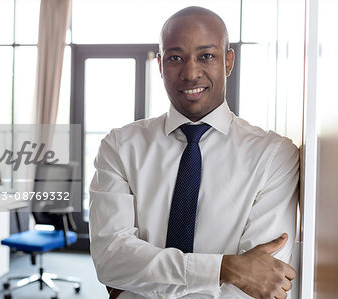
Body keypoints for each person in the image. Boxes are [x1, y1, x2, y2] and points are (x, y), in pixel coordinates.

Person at [89, 6, 298, 299]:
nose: (190, 72)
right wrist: (226, 269)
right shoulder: (120, 146)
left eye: (206, 56)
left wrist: (142, 277)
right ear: (160, 65)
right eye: (175, 58)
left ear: (228, 62)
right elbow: (111, 260)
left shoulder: (274, 156)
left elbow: (261, 282)